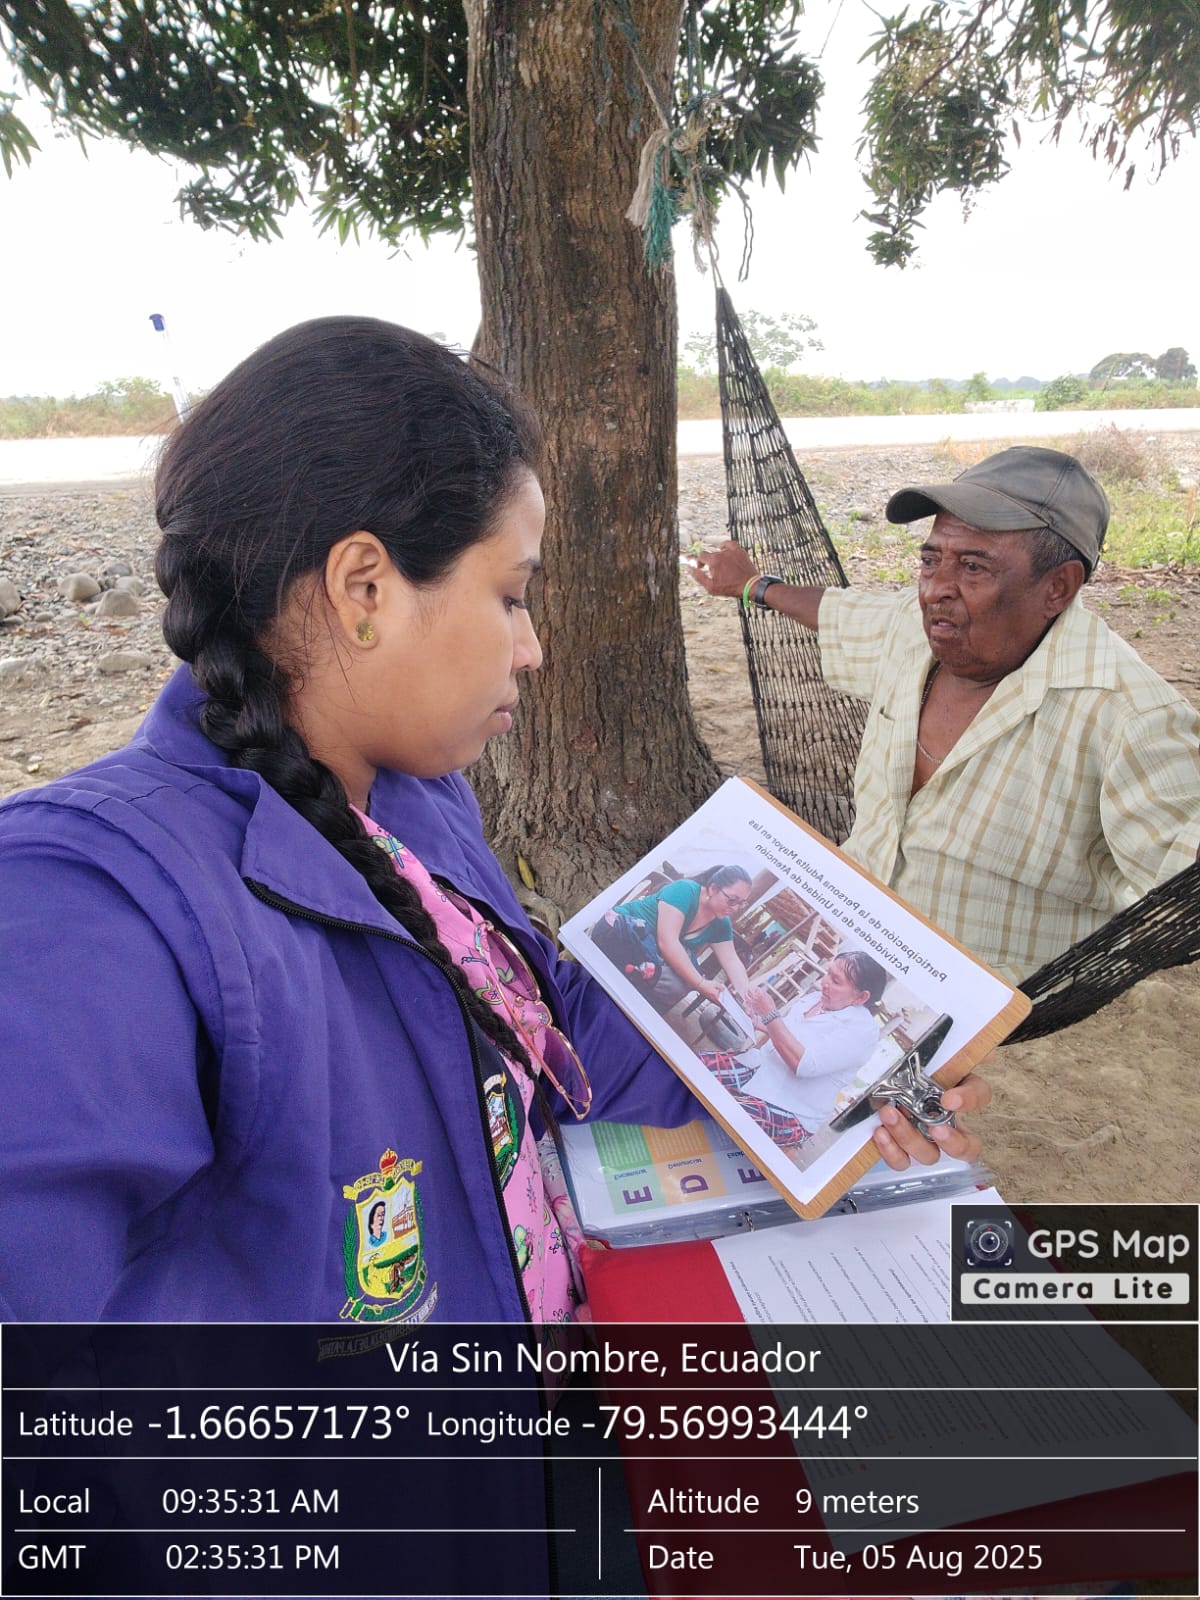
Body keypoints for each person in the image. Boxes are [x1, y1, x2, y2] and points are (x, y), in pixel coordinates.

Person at [0, 318, 988, 1331]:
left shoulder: (414, 798)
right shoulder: (86, 900)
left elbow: (541, 1031)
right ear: (364, 587)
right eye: (512, 596)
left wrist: (860, 1075)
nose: (533, 648)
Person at [690, 446, 1200, 982]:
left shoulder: (1132, 719)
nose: (934, 590)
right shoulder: (912, 632)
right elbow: (839, 613)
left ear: (1058, 587)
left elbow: (1184, 880)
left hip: (996, 996)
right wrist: (753, 586)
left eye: (973, 567)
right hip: (850, 942)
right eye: (931, 560)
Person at [702, 950, 888, 1148]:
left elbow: (804, 1065)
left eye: (835, 981)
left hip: (791, 1108)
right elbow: (787, 1031)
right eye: (828, 973)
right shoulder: (817, 999)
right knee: (696, 1068)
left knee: (722, 1117)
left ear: (861, 997)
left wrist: (769, 1013)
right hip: (759, 1069)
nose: (824, 982)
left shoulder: (862, 1032)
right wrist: (755, 1019)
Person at [591, 863, 757, 1011]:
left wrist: (748, 999)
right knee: (675, 984)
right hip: (618, 933)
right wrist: (700, 983)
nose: (735, 908)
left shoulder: (721, 923)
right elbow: (667, 942)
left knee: (674, 984)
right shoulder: (685, 890)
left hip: (645, 955)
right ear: (713, 889)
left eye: (741, 903)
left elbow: (731, 961)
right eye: (732, 900)